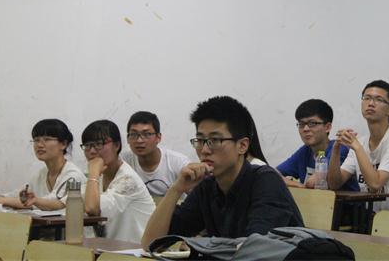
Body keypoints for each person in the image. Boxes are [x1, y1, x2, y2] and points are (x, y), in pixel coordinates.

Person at [141, 95, 303, 247]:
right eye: (200, 140)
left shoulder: (266, 181)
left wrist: (204, 246)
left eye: (215, 140)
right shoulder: (207, 186)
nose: (204, 150)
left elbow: (253, 250)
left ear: (242, 146)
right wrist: (176, 189)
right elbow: (151, 244)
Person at [328, 80, 389, 212]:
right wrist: (336, 149)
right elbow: (334, 184)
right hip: (372, 217)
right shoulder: (361, 142)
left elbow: (375, 184)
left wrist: (357, 147)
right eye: (367, 98)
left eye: (379, 99)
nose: (371, 103)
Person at [0, 119, 85, 210]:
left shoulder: (73, 175)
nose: (39, 145)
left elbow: (53, 202)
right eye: (36, 140)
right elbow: (17, 195)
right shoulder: (42, 174)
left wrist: (0, 201)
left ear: (64, 144)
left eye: (47, 139)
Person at [81, 119, 155, 242]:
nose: (92, 151)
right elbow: (66, 202)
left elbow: (92, 209)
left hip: (137, 251)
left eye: (99, 144)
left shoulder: (128, 179)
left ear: (116, 145)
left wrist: (93, 172)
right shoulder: (100, 177)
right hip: (109, 249)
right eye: (87, 145)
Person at [277, 99, 358, 190]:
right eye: (301, 124)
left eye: (312, 123)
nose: (305, 129)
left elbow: (313, 182)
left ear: (327, 127)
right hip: (315, 199)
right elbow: (273, 174)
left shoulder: (339, 147)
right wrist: (299, 185)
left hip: (343, 199)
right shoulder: (304, 151)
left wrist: (301, 186)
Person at [121, 111, 190, 197]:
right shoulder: (123, 162)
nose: (139, 140)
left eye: (147, 134)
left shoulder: (179, 163)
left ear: (158, 137)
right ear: (128, 139)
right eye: (134, 134)